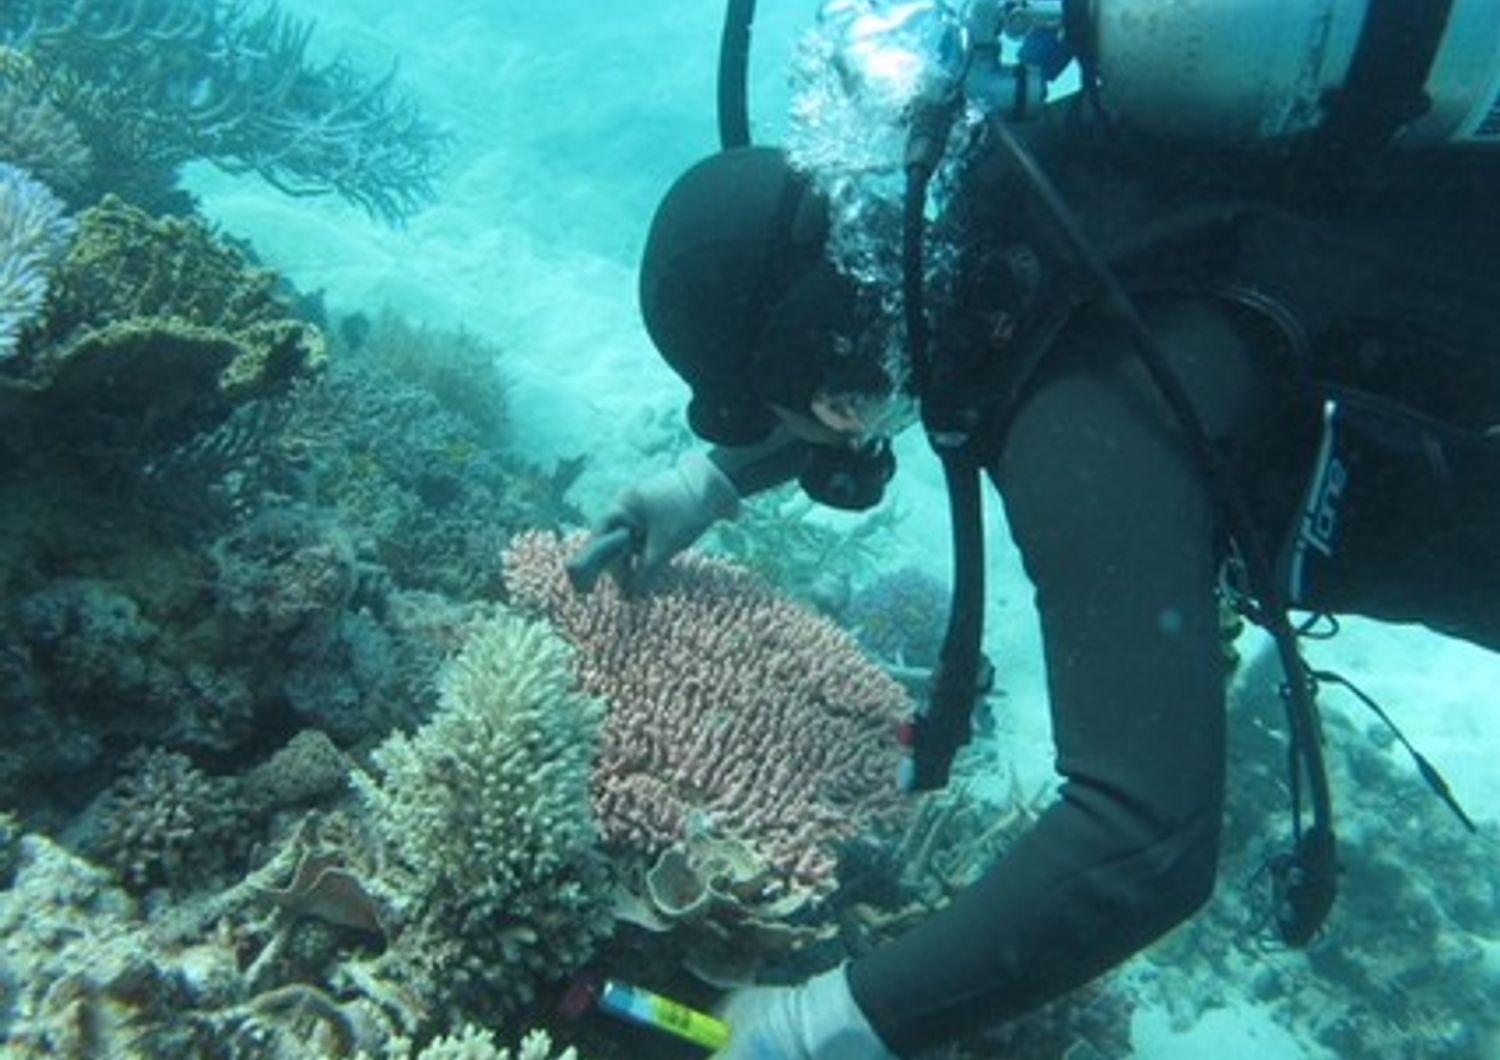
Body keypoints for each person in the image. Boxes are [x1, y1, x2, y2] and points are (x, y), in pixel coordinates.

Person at [589, 16, 1500, 1059]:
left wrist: (804, 1029)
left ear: (825, 370)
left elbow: (1141, 841)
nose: (803, 438)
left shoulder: (1085, 428)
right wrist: (705, 481)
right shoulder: (1005, 203)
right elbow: (877, 362)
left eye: (766, 411)